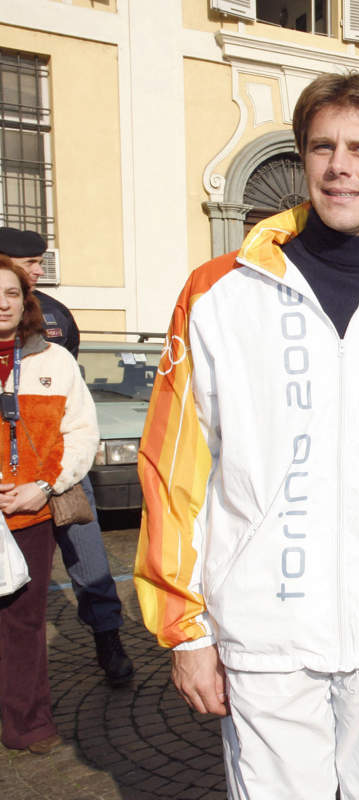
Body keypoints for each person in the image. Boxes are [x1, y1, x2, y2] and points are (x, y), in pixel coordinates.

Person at [134, 72, 359, 798]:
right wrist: (186, 630)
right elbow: (174, 471)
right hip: (265, 636)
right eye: (321, 146)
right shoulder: (218, 291)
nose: (339, 166)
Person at [0, 226, 133, 687]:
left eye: (38, 262)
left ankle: (108, 640)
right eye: (31, 263)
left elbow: (65, 385)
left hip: (61, 470)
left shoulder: (54, 313)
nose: (40, 269)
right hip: (12, 480)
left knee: (90, 557)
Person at [0, 257, 100, 755]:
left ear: (26, 302)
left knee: (24, 623)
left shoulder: (54, 362)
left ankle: (28, 724)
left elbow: (81, 433)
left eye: (12, 294)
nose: (3, 303)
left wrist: (43, 486)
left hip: (29, 514)